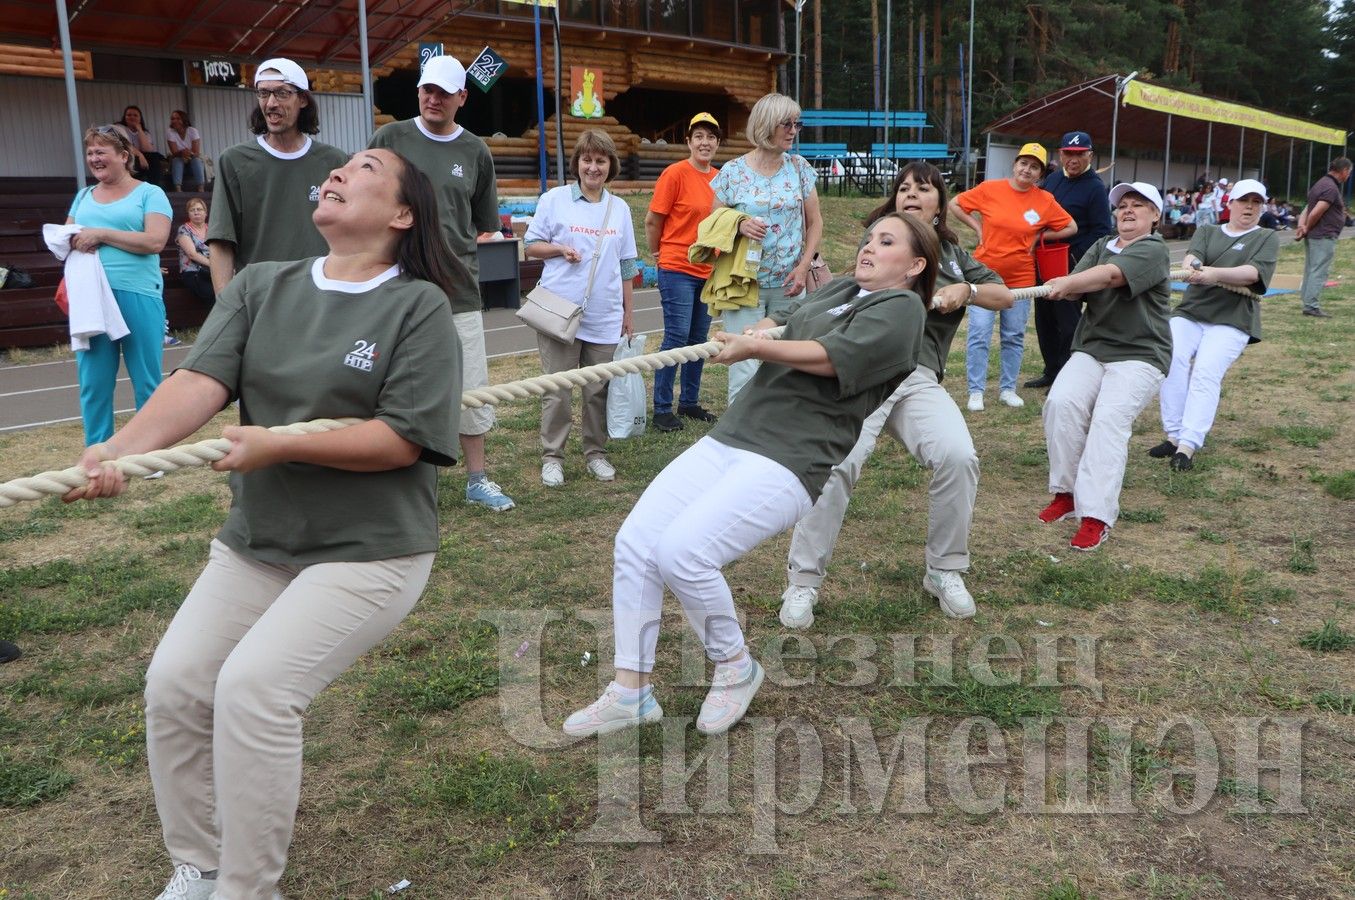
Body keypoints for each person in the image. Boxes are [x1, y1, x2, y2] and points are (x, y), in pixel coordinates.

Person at [64, 148, 462, 900]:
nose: (341, 172)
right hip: (260, 543)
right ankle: (202, 867)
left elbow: (401, 440)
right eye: (339, 167)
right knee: (177, 685)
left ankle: (248, 889)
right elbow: (198, 382)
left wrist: (279, 443)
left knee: (254, 690)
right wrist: (118, 452)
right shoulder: (261, 285)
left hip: (370, 552)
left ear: (402, 214)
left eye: (367, 167)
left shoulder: (418, 307)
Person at [562, 212, 936, 739]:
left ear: (916, 265)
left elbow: (832, 357)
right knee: (636, 544)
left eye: (887, 241)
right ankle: (631, 693)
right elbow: (795, 321)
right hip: (734, 435)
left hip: (791, 456)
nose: (869, 246)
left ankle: (735, 667)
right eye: (870, 237)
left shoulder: (902, 309)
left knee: (684, 554)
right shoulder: (845, 288)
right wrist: (767, 328)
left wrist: (758, 345)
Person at [779, 163, 1014, 626]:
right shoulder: (880, 240)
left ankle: (944, 570)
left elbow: (1004, 296)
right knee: (837, 465)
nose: (910, 194)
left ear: (940, 203)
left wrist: (964, 289)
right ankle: (803, 581)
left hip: (917, 377)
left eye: (922, 189)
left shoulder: (949, 253)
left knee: (958, 456)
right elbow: (834, 300)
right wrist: (771, 329)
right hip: (865, 373)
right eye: (902, 187)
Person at [369, 54, 516, 511]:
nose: (434, 99)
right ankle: (405, 479)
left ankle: (477, 478)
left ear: (462, 98)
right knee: (395, 386)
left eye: (444, 92)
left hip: (458, 291)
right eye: (427, 90)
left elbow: (482, 223)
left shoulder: (475, 150)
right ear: (418, 92)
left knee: (470, 385)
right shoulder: (389, 138)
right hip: (394, 288)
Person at [1038, 182, 1171, 551]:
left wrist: (1067, 281)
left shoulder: (1154, 250)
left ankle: (1096, 515)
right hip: (1094, 348)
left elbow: (1111, 276)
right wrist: (1061, 285)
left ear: (1155, 215)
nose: (1127, 211)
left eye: (1138, 205)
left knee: (1109, 419)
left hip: (1141, 354)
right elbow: (1080, 287)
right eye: (1122, 205)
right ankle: (1066, 494)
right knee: (1061, 403)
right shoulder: (1101, 246)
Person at [524, 130, 638, 487]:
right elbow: (530, 247)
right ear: (576, 163)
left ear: (610, 166)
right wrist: (560, 249)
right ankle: (552, 457)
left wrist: (628, 313)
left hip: (604, 315)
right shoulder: (555, 199)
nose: (593, 167)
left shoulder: (618, 208)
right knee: (557, 390)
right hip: (559, 312)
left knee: (596, 391)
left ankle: (595, 453)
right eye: (587, 160)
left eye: (601, 160)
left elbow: (627, 266)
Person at [1152, 179, 1278, 472]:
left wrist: (1213, 273)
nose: (1249, 207)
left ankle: (1188, 444)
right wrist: (1194, 266)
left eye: (1256, 202)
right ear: (1229, 203)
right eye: (1244, 201)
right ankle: (1173, 435)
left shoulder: (1266, 237)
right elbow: (1192, 256)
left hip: (1233, 318)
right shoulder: (1208, 230)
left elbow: (1253, 273)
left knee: (1205, 372)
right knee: (1171, 359)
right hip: (1192, 311)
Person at [710, 91, 823, 403]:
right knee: (744, 368)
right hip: (744, 285)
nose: (792, 130)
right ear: (765, 124)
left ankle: (781, 436)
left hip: (790, 284)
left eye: (796, 124)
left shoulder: (800, 168)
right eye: (785, 123)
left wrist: (803, 267)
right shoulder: (732, 171)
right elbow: (711, 224)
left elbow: (815, 222)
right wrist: (739, 223)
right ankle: (739, 441)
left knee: (787, 364)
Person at [65, 125, 172, 446]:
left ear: (124, 156)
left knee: (146, 380)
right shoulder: (83, 196)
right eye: (90, 153)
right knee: (94, 382)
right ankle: (97, 451)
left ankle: (148, 451)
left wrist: (101, 234)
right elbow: (67, 235)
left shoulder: (150, 193)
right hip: (92, 299)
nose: (94, 158)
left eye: (101, 152)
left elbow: (155, 240)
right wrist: (72, 239)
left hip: (138, 294)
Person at [950, 142, 1076, 411]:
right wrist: (977, 227)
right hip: (984, 275)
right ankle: (976, 391)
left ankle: (1008, 389)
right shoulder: (990, 189)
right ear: (1015, 164)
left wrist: (1041, 236)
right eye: (1024, 163)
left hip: (1021, 276)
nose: (1027, 170)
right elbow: (956, 203)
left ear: (1040, 174)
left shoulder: (1044, 200)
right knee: (979, 333)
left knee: (1013, 335)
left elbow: (1070, 226)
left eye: (1034, 167)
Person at [208, 57, 348, 297]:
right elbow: (221, 241)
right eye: (263, 93)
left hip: (323, 297)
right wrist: (226, 309)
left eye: (281, 93)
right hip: (260, 299)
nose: (270, 103)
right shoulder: (234, 161)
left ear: (302, 99)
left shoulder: (334, 162)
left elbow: (351, 235)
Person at [645, 112, 722, 432]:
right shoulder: (675, 173)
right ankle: (662, 408)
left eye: (711, 137)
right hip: (677, 267)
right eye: (699, 136)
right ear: (688, 141)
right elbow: (653, 220)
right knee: (676, 336)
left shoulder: (720, 178)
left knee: (697, 339)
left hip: (708, 271)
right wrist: (657, 253)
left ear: (718, 143)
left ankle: (688, 402)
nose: (705, 143)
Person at [1027, 131, 1112, 389]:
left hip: (1071, 267)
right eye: (1068, 154)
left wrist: (1076, 259)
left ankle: (1069, 374)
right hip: (1043, 261)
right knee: (1044, 319)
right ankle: (1051, 370)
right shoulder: (1052, 179)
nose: (1073, 160)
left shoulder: (1095, 188)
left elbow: (1101, 231)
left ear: (1090, 155)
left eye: (1079, 154)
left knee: (1067, 322)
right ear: (1061, 154)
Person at [1295, 156, 1352, 318]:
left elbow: (1307, 208)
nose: (1348, 176)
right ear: (1344, 171)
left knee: (1311, 269)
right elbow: (1316, 211)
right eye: (1349, 173)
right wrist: (1306, 227)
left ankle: (1307, 302)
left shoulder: (1320, 184)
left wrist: (1302, 226)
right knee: (1319, 270)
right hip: (1323, 235)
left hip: (1315, 235)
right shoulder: (1330, 188)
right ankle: (1311, 305)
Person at [176, 197, 214, 306]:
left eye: (199, 209)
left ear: (206, 213)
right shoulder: (184, 229)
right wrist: (215, 265)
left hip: (212, 271)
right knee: (213, 294)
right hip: (193, 272)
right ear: (188, 214)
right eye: (192, 210)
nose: (196, 212)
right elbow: (192, 254)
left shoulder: (212, 229)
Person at [119, 105, 165, 185]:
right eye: (129, 115)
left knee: (154, 157)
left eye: (135, 115)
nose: (132, 117)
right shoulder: (119, 128)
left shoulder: (145, 133)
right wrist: (140, 155)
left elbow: (148, 150)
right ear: (124, 117)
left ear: (140, 118)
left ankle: (154, 187)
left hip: (141, 158)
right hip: (125, 156)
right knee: (135, 160)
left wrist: (139, 129)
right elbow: (125, 144)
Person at [165, 110, 206, 192]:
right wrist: (182, 152)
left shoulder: (192, 131)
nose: (174, 121)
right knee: (177, 160)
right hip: (179, 159)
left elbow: (196, 152)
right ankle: (178, 189)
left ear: (184, 119)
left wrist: (189, 153)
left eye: (178, 118)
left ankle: (201, 188)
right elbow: (174, 152)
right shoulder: (170, 132)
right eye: (172, 119)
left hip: (192, 160)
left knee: (197, 160)